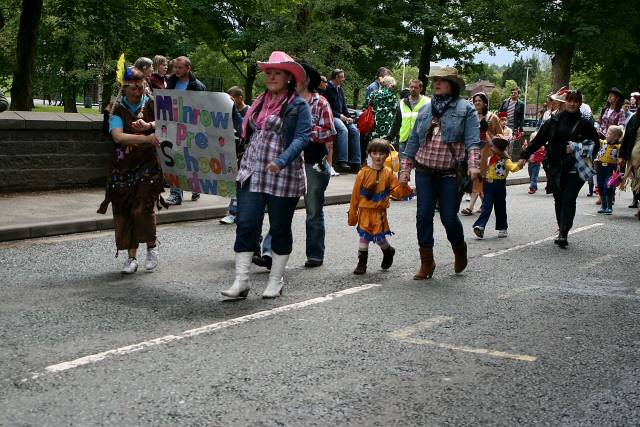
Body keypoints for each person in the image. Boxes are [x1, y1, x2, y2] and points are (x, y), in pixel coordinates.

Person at [221, 51, 311, 300]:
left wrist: (281, 161)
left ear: (288, 77)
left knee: (280, 228)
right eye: (268, 73)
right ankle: (241, 281)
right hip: (253, 171)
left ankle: (275, 280)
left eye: (277, 73)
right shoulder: (259, 102)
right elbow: (246, 132)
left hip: (284, 174)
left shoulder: (298, 105)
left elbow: (303, 137)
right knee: (246, 223)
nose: (271, 76)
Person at [399, 67, 482, 279]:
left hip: (450, 174)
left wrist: (473, 165)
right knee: (423, 215)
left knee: (447, 217)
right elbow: (413, 141)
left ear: (452, 85)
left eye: (442, 80)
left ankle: (459, 248)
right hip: (425, 171)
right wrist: (405, 171)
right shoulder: (426, 110)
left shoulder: (466, 109)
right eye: (435, 80)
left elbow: (473, 141)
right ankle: (427, 262)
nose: (437, 83)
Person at [97, 67, 163, 273]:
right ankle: (131, 258)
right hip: (122, 168)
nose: (137, 92)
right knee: (125, 211)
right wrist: (146, 138)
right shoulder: (115, 109)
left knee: (141, 208)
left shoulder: (152, 104)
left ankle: (152, 248)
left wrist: (149, 125)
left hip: (148, 165)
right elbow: (118, 136)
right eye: (133, 88)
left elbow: (166, 123)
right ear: (124, 88)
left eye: (141, 87)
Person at [518, 90, 599, 248]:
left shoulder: (586, 124)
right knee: (559, 198)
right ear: (564, 102)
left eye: (576, 101)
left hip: (576, 167)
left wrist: (576, 148)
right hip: (555, 166)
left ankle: (563, 232)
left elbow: (595, 146)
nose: (572, 103)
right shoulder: (553, 121)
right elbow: (538, 140)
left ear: (580, 103)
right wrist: (524, 155)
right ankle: (561, 226)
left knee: (569, 198)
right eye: (570, 100)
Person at [349, 139, 404, 275]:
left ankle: (388, 251)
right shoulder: (363, 173)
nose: (378, 157)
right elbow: (355, 195)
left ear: (387, 155)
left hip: (379, 212)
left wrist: (403, 185)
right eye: (374, 153)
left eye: (381, 153)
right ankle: (362, 263)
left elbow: (397, 192)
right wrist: (352, 213)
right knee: (364, 236)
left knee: (379, 237)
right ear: (369, 154)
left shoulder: (389, 173)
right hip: (364, 211)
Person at [165, 56, 207, 205]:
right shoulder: (170, 82)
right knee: (175, 159)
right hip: (173, 127)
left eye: (180, 67)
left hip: (190, 129)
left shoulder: (198, 86)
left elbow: (203, 110)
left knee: (189, 161)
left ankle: (195, 185)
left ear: (188, 68)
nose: (176, 70)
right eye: (175, 67)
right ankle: (176, 194)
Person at [472, 137, 522, 238]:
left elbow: (513, 168)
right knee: (486, 207)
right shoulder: (490, 159)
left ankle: (503, 228)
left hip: (499, 185)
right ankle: (480, 226)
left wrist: (520, 164)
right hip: (488, 185)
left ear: (499, 149)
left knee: (500, 207)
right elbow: (486, 169)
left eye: (493, 147)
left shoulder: (506, 161)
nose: (491, 148)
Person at [461, 92, 500, 215]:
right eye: (475, 100)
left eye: (479, 100)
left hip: (487, 151)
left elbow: (500, 135)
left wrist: (488, 135)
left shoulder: (492, 117)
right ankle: (485, 204)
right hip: (473, 150)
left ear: (485, 103)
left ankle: (471, 207)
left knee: (479, 177)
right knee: (479, 178)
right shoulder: (471, 116)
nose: (477, 102)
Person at [219, 86, 251, 225]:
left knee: (239, 182)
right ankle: (238, 211)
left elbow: (244, 130)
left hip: (243, 153)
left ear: (240, 98)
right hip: (231, 151)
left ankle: (234, 212)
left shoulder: (248, 112)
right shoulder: (227, 112)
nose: (229, 101)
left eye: (232, 98)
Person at [324, 69, 361, 173]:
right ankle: (342, 161)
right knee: (343, 130)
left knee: (355, 131)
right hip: (332, 116)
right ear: (336, 77)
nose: (343, 79)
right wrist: (340, 116)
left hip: (342, 116)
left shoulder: (340, 89)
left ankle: (355, 162)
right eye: (342, 77)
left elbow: (344, 106)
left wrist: (348, 117)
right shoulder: (327, 89)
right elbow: (327, 108)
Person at [595, 125, 623, 215]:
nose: (607, 135)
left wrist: (620, 161)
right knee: (601, 186)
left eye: (609, 133)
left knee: (608, 186)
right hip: (600, 168)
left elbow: (621, 158)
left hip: (611, 168)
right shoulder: (603, 143)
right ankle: (603, 206)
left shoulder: (618, 147)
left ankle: (609, 207)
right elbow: (596, 139)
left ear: (616, 137)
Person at [619, 91, 640, 211]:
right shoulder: (634, 120)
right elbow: (626, 138)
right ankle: (636, 199)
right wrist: (622, 155)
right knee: (636, 179)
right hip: (635, 157)